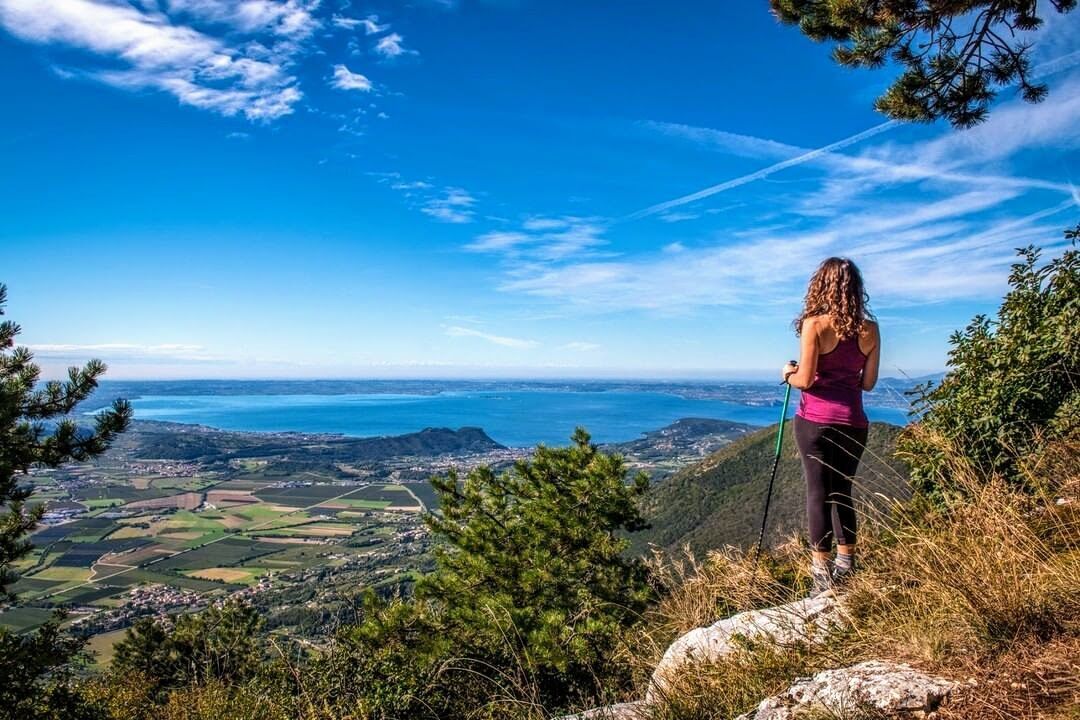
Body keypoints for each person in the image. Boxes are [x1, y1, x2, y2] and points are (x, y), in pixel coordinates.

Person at [782, 257, 880, 597]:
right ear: (856, 289)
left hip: (816, 422)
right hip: (854, 422)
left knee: (818, 495)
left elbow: (806, 379)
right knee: (843, 491)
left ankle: (821, 575)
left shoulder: (814, 325)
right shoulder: (870, 330)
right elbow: (868, 383)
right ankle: (846, 565)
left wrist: (787, 373)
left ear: (820, 286)